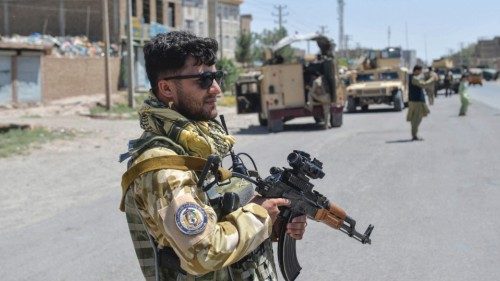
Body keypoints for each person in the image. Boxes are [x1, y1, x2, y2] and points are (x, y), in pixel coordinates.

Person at [119, 31, 307, 281]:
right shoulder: (163, 166)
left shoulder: (195, 146)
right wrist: (260, 215)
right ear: (166, 88)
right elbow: (203, 251)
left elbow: (218, 220)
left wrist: (273, 224)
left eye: (216, 76)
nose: (216, 89)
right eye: (204, 80)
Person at [407, 65, 434, 141]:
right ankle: (415, 135)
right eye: (420, 71)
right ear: (416, 71)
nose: (421, 73)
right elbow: (424, 85)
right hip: (416, 101)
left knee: (415, 118)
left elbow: (423, 79)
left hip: (415, 100)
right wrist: (432, 78)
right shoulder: (415, 78)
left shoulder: (414, 77)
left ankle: (414, 134)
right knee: (416, 119)